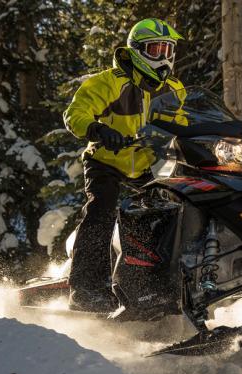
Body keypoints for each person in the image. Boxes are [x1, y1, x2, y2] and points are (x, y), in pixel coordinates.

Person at [63, 18, 185, 312]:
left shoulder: (175, 89)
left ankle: (156, 286)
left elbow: (184, 123)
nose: (164, 58)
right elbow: (75, 113)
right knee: (102, 208)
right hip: (106, 161)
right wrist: (98, 130)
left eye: (168, 50)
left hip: (148, 166)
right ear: (137, 51)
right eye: (156, 49)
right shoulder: (108, 82)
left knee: (170, 215)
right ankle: (86, 289)